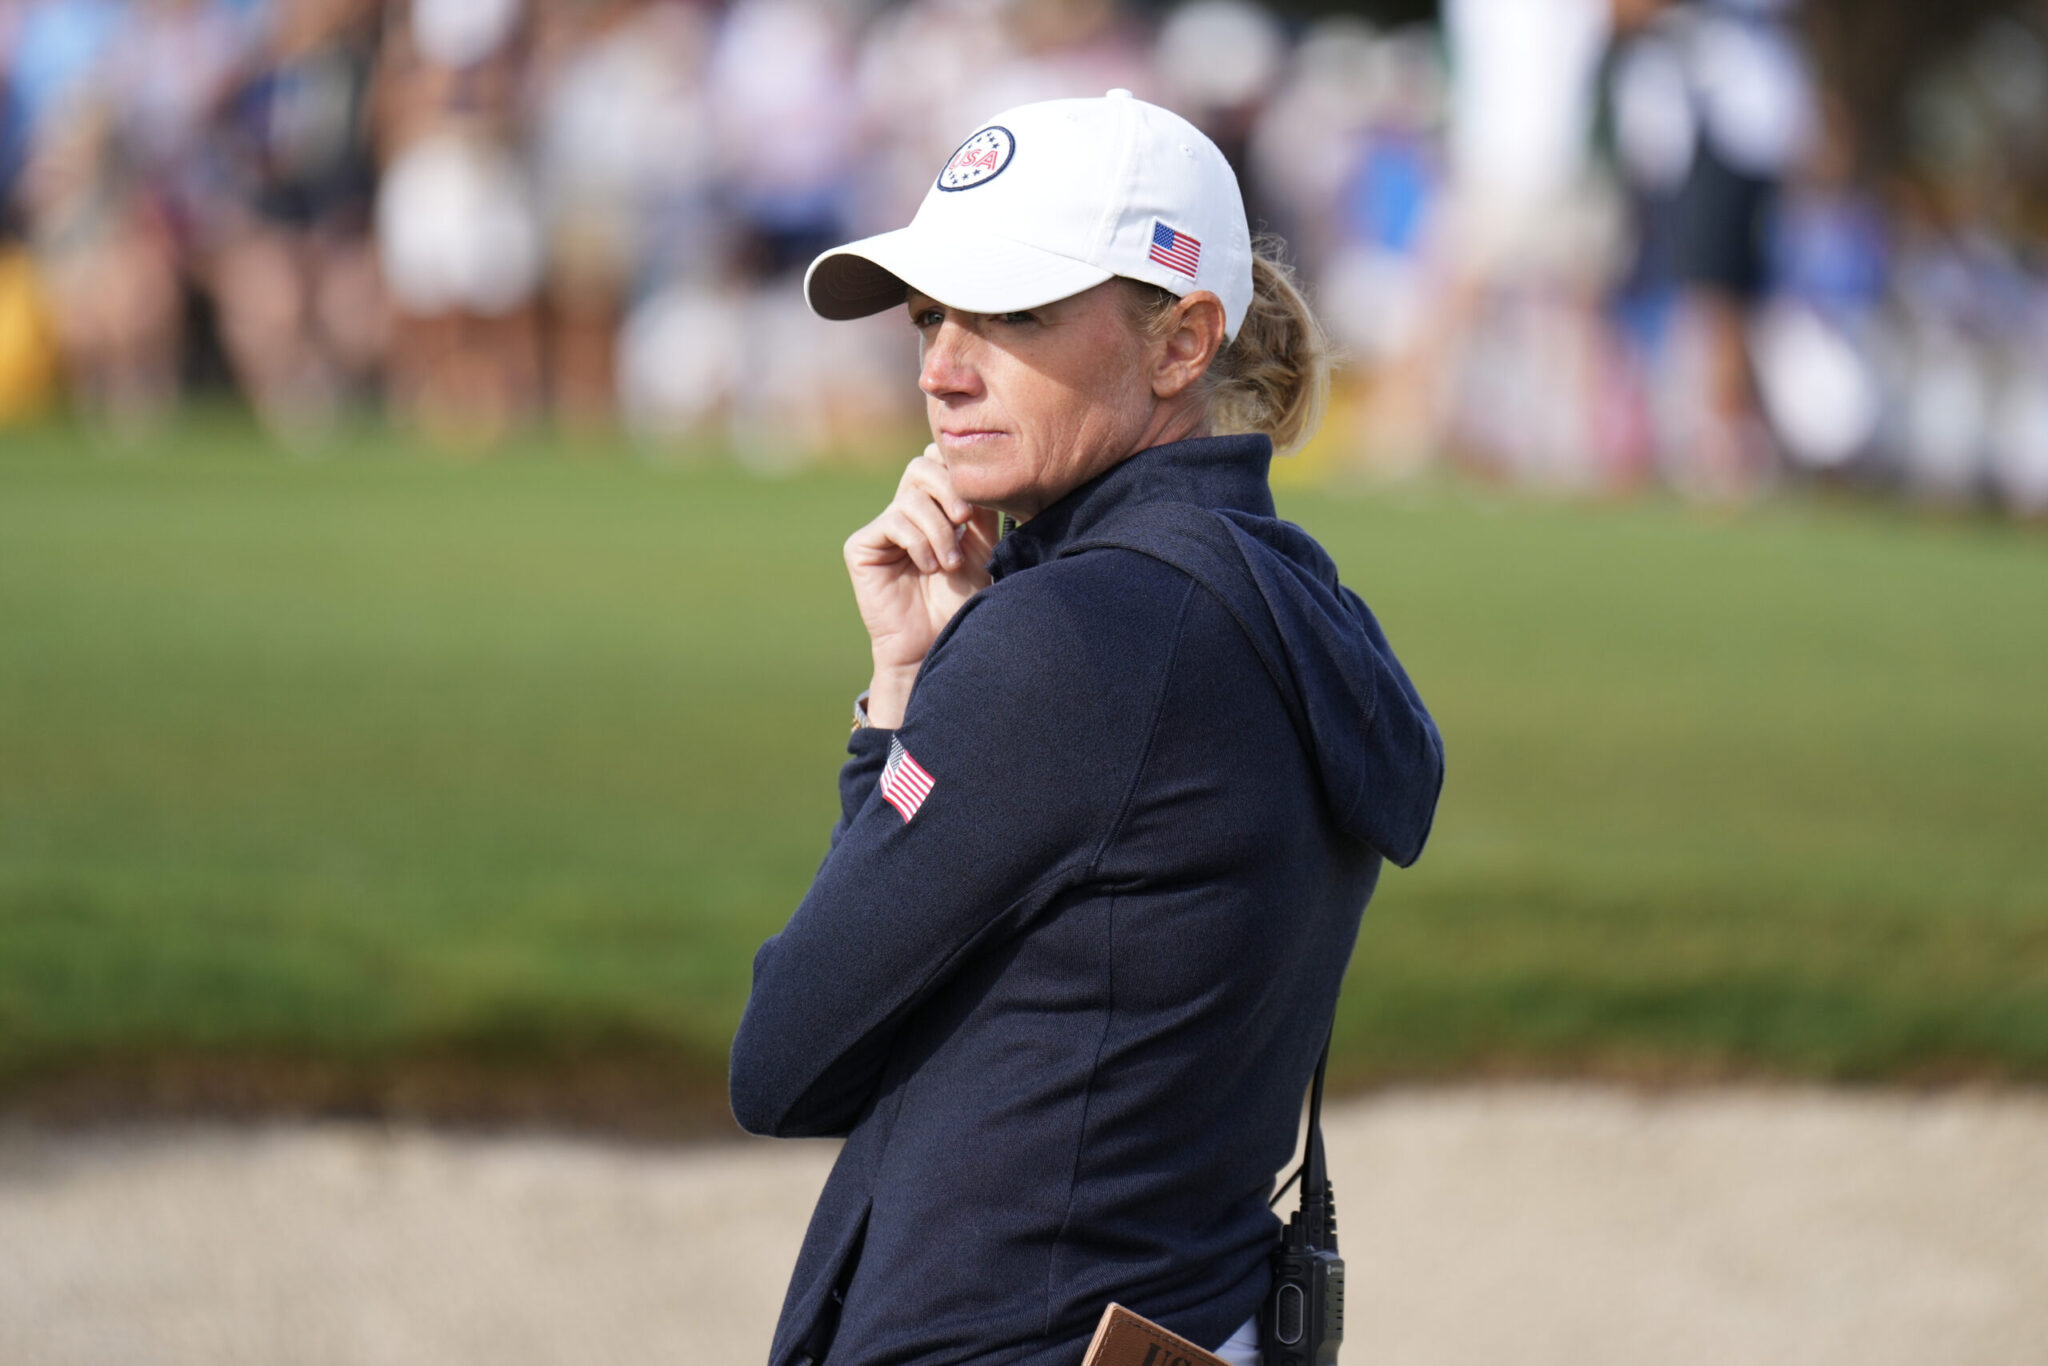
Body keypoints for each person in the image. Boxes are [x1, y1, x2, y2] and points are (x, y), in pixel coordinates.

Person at [729, 90, 1445, 1366]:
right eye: (929, 314)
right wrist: (915, 671)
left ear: (1180, 344)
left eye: (1011, 313)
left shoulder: (1074, 637)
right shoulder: (1277, 593)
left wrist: (907, 707)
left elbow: (790, 1058)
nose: (942, 365)